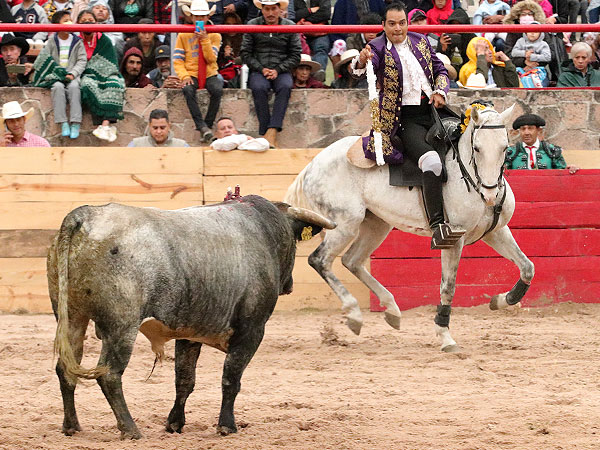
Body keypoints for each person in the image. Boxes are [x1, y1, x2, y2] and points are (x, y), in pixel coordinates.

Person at [352, 2, 461, 250]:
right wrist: (361, 60)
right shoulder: (376, 48)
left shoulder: (420, 41)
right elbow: (359, 71)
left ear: (407, 23)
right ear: (383, 25)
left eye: (402, 23)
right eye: (392, 24)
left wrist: (441, 90)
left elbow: (440, 68)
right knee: (432, 161)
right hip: (403, 120)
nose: (398, 28)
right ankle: (438, 226)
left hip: (434, 111)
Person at [240, 0, 301, 148]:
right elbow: (245, 53)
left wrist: (278, 69)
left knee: (286, 86)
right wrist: (261, 68)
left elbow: (295, 55)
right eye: (267, 9)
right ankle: (268, 132)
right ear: (262, 10)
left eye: (273, 9)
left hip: (281, 69)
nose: (270, 13)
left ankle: (271, 130)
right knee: (259, 87)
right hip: (259, 69)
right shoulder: (252, 25)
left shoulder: (290, 26)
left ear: (280, 10)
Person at [31, 10, 87, 139]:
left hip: (72, 75)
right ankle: (63, 122)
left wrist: (73, 74)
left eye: (70, 20)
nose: (69, 23)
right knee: (57, 87)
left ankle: (75, 122)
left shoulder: (77, 41)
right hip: (56, 75)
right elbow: (44, 58)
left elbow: (82, 60)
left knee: (74, 88)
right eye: (65, 20)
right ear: (57, 25)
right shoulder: (52, 41)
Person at [174, 0, 223, 143]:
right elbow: (178, 60)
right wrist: (184, 76)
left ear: (208, 17)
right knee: (188, 90)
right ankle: (203, 127)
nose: (199, 19)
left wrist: (204, 40)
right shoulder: (183, 34)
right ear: (191, 17)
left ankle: (206, 125)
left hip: (209, 72)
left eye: (202, 17)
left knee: (217, 90)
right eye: (196, 16)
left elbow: (211, 59)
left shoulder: (215, 35)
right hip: (190, 73)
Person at [77, 9, 125, 142]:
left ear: (96, 23)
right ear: (77, 24)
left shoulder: (104, 40)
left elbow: (111, 62)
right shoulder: (75, 41)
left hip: (105, 73)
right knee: (87, 85)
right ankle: (103, 124)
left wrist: (100, 72)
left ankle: (105, 124)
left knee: (115, 84)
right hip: (84, 74)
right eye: (84, 22)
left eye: (91, 21)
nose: (87, 24)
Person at [505, 113, 577, 173]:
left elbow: (562, 173)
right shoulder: (511, 152)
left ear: (538, 130)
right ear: (519, 131)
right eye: (523, 129)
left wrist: (569, 169)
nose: (526, 133)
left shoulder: (552, 151)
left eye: (530, 128)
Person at [294, 0, 331, 79]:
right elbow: (294, 15)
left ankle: (318, 74)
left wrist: (306, 22)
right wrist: (310, 10)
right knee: (296, 49)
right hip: (300, 33)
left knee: (321, 47)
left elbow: (325, 14)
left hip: (319, 32)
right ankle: (298, 78)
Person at [436, 8, 475, 76]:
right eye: (453, 24)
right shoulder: (444, 38)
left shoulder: (472, 39)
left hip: (468, 73)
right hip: (448, 73)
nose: (456, 28)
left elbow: (472, 62)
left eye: (459, 24)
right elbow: (439, 62)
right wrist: (443, 49)